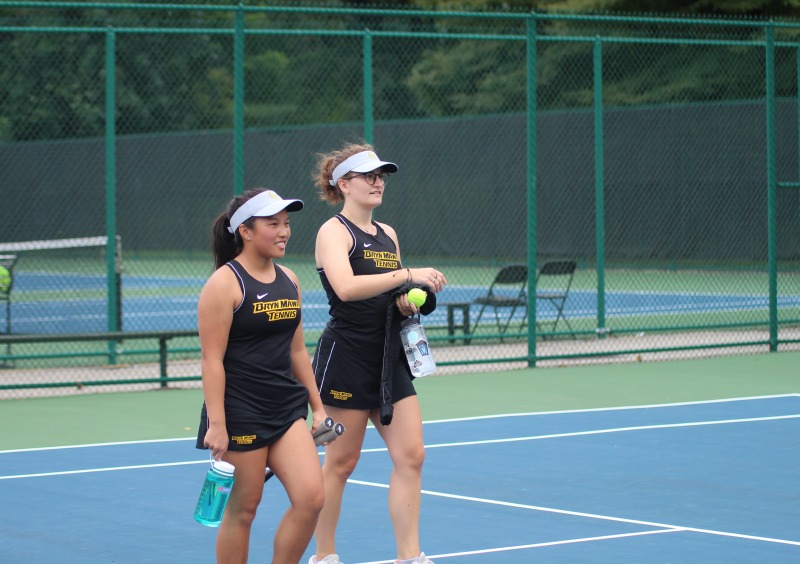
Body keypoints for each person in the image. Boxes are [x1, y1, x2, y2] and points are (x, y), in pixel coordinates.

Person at [308, 144, 447, 564]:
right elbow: (347, 289)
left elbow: (392, 291)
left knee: (412, 455)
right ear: (344, 184)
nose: (377, 181)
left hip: (390, 359)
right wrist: (408, 274)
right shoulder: (333, 232)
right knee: (341, 461)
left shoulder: (387, 234)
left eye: (381, 175)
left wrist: (407, 299)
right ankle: (324, 556)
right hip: (346, 360)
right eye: (368, 175)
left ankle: (410, 556)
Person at [196, 188, 328, 564]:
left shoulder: (290, 278)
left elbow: (297, 350)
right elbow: (211, 361)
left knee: (311, 498)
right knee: (244, 510)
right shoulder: (225, 284)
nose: (284, 231)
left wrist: (317, 409)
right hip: (241, 411)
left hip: (285, 408)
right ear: (246, 231)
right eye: (274, 224)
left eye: (286, 223)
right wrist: (217, 424)